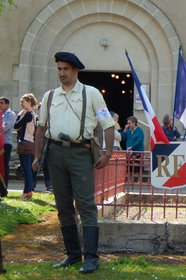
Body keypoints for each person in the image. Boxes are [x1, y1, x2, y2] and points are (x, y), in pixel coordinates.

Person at [33, 52, 115, 274]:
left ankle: (91, 257)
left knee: (86, 204)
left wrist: (107, 154)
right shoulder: (50, 96)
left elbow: (107, 124)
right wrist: (37, 156)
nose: (62, 73)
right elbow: (41, 127)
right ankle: (72, 254)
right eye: (59, 69)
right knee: (63, 206)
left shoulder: (92, 94)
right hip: (55, 154)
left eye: (66, 69)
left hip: (81, 153)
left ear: (76, 70)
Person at [14, 93, 38, 200]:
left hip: (25, 143)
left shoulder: (28, 114)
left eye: (23, 101)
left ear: (29, 102)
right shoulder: (32, 114)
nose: (21, 103)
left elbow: (16, 125)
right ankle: (28, 191)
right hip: (30, 143)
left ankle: (27, 191)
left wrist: (20, 116)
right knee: (28, 169)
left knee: (26, 169)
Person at [0, 97, 15, 198]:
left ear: (7, 104)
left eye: (1, 103)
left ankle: (4, 190)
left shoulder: (11, 114)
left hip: (6, 144)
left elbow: (4, 128)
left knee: (4, 167)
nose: (0, 105)